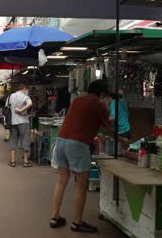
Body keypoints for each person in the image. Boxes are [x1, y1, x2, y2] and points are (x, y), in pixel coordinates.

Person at [50, 80, 129, 233]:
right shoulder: (98, 104)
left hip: (61, 140)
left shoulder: (78, 100)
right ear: (102, 93)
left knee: (61, 181)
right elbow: (108, 129)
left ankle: (55, 217)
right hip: (78, 144)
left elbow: (79, 122)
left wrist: (94, 133)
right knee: (81, 185)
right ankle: (77, 222)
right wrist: (123, 140)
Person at [8, 84, 33, 167]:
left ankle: (13, 161)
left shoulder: (11, 96)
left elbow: (8, 107)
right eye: (27, 90)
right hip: (23, 121)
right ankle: (25, 162)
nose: (27, 91)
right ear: (24, 88)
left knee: (13, 140)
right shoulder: (25, 96)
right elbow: (30, 104)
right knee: (25, 140)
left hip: (13, 121)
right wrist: (22, 110)